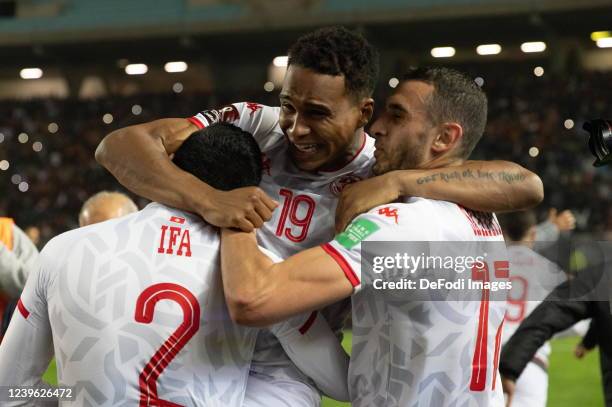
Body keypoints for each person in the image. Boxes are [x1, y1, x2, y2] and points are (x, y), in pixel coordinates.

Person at [95, 26, 543, 403]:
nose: (295, 128)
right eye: (289, 104)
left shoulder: (383, 176)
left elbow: (524, 183)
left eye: (317, 114)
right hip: (190, 337)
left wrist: (398, 182)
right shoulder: (256, 123)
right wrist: (208, 197)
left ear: (363, 113)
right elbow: (118, 147)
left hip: (283, 368)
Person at [219, 67, 512, 406]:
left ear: (444, 138)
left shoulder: (400, 224)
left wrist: (232, 198)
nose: (377, 128)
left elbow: (255, 299)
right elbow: (356, 382)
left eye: (398, 116)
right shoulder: (482, 214)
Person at [0, 123, 349, 406]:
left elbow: (9, 391)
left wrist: (63, 396)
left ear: (171, 169)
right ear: (251, 191)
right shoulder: (260, 272)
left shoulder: (63, 249)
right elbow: (342, 385)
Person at [496, 211, 569, 407]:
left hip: (490, 361)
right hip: (530, 359)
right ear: (533, 234)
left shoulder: (483, 266)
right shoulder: (551, 271)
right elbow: (569, 321)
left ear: (500, 233)